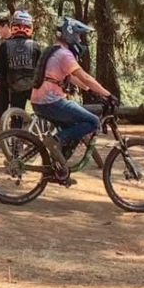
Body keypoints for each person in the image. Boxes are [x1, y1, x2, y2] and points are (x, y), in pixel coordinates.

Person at [31, 16, 117, 183]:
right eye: (78, 35)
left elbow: (71, 77)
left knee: (73, 132)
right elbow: (84, 76)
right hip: (52, 101)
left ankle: (58, 170)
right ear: (69, 34)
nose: (79, 39)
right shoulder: (65, 54)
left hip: (39, 101)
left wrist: (89, 90)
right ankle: (55, 141)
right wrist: (107, 95)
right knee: (93, 122)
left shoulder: (53, 50)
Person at [0, 10, 41, 125]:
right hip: (33, 88)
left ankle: (13, 132)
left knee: (15, 119)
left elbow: (2, 72)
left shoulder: (5, 45)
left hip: (13, 88)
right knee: (41, 115)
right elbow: (39, 69)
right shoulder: (35, 46)